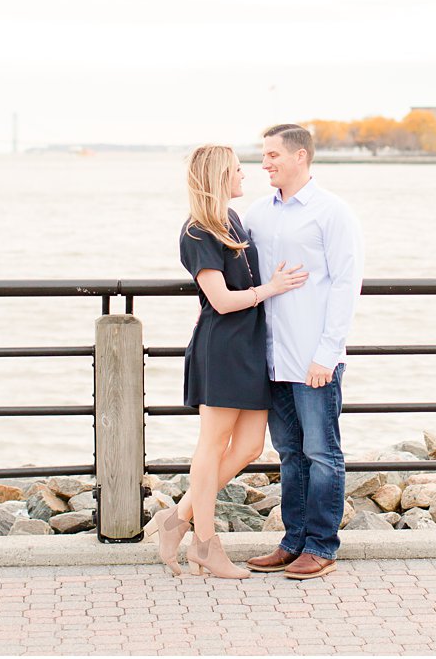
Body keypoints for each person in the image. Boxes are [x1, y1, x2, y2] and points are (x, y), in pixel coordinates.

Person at [142, 143, 307, 578]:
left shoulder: (231, 219)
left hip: (250, 347)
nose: (244, 175)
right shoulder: (197, 231)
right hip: (222, 348)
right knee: (212, 445)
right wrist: (271, 288)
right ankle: (205, 543)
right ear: (218, 176)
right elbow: (220, 300)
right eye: (236, 170)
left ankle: (177, 518)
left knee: (251, 446)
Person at [243, 123, 364, 580]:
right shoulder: (257, 213)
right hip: (271, 358)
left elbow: (346, 285)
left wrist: (328, 354)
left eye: (273, 154)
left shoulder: (332, 212)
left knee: (322, 453)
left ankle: (321, 545)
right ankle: (292, 542)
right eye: (263, 155)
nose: (265, 163)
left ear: (300, 157)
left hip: (314, 357)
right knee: (289, 454)